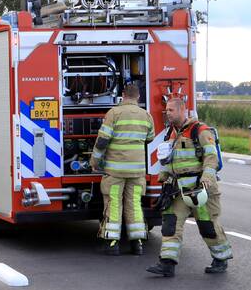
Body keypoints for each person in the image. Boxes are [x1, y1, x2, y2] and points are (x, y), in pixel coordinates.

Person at [146, 97, 233, 277]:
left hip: (201, 189)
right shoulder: (171, 133)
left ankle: (221, 258)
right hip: (178, 190)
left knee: (207, 226)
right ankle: (167, 264)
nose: (167, 113)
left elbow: (211, 157)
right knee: (170, 224)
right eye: (166, 110)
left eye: (171, 110)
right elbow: (170, 159)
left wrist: (207, 176)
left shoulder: (200, 130)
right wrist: (164, 175)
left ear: (181, 110)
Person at [90, 81, 155, 255]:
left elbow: (102, 141)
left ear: (123, 96)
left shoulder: (114, 113)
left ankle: (112, 243)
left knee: (114, 204)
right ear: (138, 97)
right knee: (134, 204)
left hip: (115, 171)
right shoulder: (146, 115)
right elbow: (150, 138)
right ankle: (137, 243)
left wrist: (94, 161)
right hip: (137, 172)